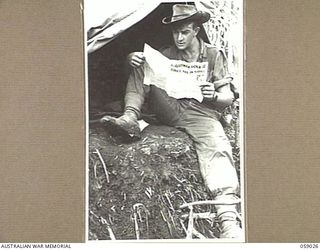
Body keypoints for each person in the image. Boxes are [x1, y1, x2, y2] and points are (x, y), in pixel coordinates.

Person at [101, 4, 242, 239]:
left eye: (185, 31)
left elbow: (227, 97)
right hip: (168, 106)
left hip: (200, 112)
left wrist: (214, 96)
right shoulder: (166, 54)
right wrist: (130, 60)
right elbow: (145, 74)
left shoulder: (213, 55)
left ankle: (227, 220)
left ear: (196, 30)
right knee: (144, 61)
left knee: (218, 146)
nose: (179, 37)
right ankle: (130, 117)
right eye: (175, 32)